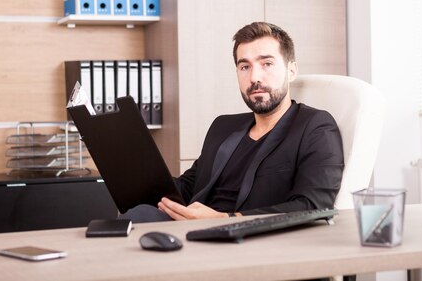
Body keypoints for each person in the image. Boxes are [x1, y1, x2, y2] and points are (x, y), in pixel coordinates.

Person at [121, 21, 344, 223]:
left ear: (291, 70)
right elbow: (188, 187)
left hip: (251, 239)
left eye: (266, 64)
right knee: (135, 216)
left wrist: (224, 219)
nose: (255, 77)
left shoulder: (315, 127)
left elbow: (313, 206)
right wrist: (135, 176)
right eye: (244, 66)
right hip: (193, 230)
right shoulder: (223, 127)